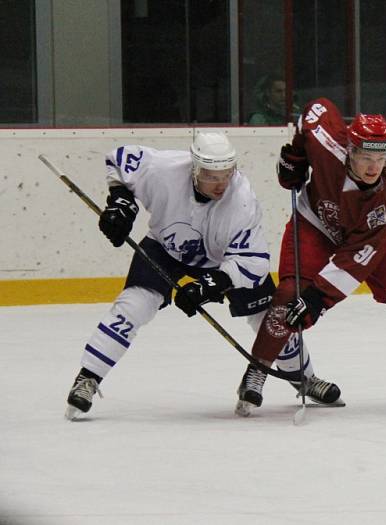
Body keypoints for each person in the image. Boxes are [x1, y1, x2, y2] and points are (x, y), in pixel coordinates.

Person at [65, 131, 342, 420]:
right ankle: (88, 378)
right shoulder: (164, 169)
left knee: (271, 319)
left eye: (226, 174)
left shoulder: (242, 199)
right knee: (133, 306)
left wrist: (214, 282)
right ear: (194, 169)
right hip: (164, 248)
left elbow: (254, 262)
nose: (221, 184)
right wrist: (121, 202)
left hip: (224, 261)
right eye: (211, 176)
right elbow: (119, 159)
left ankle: (305, 378)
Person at [240, 97, 386, 406]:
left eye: (381, 158)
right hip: (316, 224)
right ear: (350, 150)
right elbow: (316, 108)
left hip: (369, 243)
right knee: (288, 295)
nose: (374, 167)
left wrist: (317, 299)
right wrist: (295, 154)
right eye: (365, 157)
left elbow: (354, 263)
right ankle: (257, 372)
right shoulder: (326, 143)